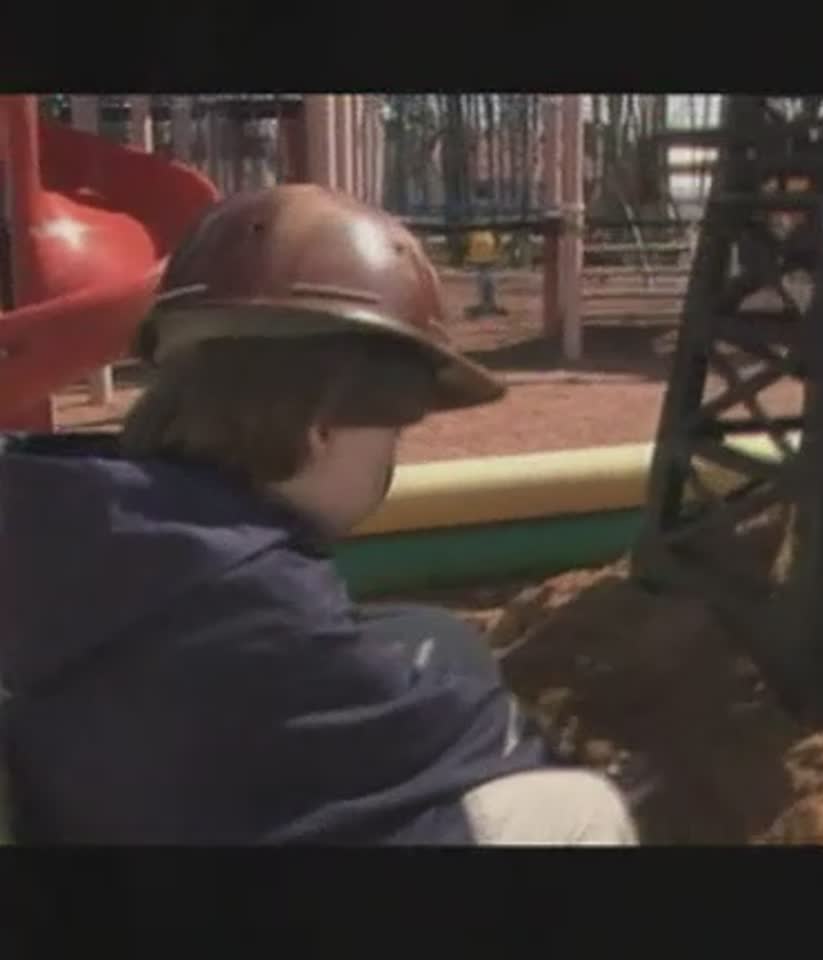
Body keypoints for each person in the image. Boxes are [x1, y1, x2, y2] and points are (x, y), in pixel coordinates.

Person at [0, 184, 638, 845]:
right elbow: (453, 730)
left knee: (434, 638)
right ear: (322, 428)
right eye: (393, 433)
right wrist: (479, 687)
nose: (391, 461)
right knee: (576, 807)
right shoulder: (256, 598)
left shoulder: (75, 521)